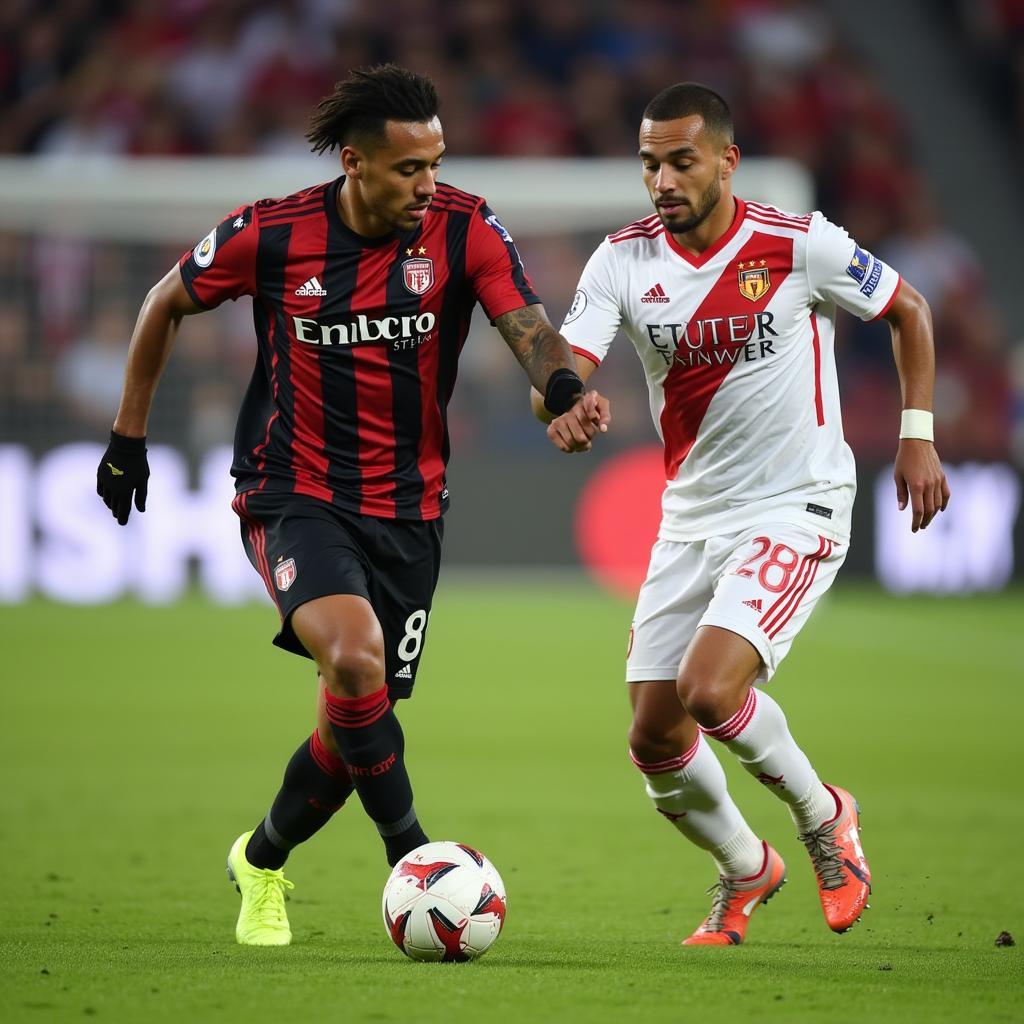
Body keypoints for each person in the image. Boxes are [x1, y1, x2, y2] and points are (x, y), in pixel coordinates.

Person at [96, 64, 610, 947]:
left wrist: (565, 389)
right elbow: (163, 302)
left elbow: (523, 322)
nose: (428, 185)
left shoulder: (463, 226)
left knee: (354, 713)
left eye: (436, 164)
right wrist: (127, 436)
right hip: (291, 490)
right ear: (355, 163)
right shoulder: (274, 233)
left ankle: (260, 861)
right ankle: (414, 861)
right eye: (409, 169)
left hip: (410, 508)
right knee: (355, 659)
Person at [535, 82, 949, 945]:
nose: (662, 181)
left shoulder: (797, 245)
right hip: (691, 517)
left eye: (681, 161)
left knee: (710, 690)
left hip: (796, 503)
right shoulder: (621, 260)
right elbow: (566, 361)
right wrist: (564, 402)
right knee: (653, 740)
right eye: (650, 163)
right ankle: (745, 868)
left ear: (726, 159)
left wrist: (918, 436)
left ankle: (825, 813)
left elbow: (909, 309)